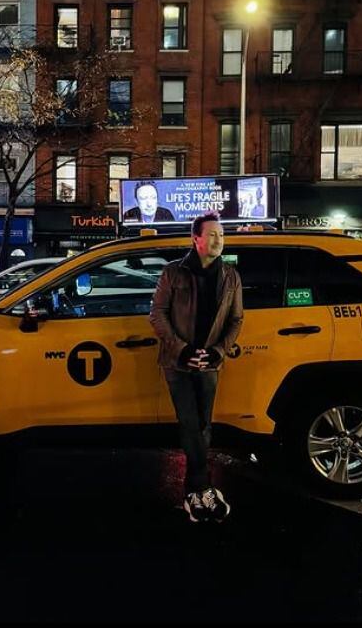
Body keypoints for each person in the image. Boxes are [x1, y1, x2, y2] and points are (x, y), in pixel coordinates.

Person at [149, 211, 243, 523]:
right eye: (213, 234)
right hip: (178, 361)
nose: (219, 240)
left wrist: (217, 352)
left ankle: (195, 491)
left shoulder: (230, 276)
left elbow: (236, 319)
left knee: (203, 424)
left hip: (210, 363)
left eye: (222, 235)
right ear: (196, 238)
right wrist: (183, 349)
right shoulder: (173, 272)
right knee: (190, 421)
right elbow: (157, 314)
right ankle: (202, 487)